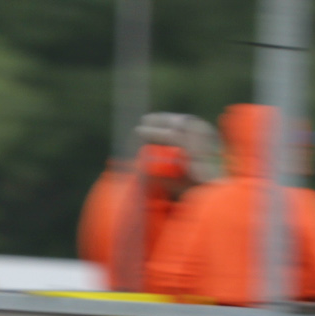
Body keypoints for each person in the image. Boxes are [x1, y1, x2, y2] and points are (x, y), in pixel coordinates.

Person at [145, 103, 315, 305]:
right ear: (277, 149)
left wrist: (219, 292)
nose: (307, 153)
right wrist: (284, 292)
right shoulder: (303, 203)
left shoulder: (204, 200)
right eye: (300, 147)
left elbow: (169, 279)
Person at [77, 113, 219, 290]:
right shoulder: (136, 201)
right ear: (170, 160)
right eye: (197, 158)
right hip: (146, 299)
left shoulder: (127, 188)